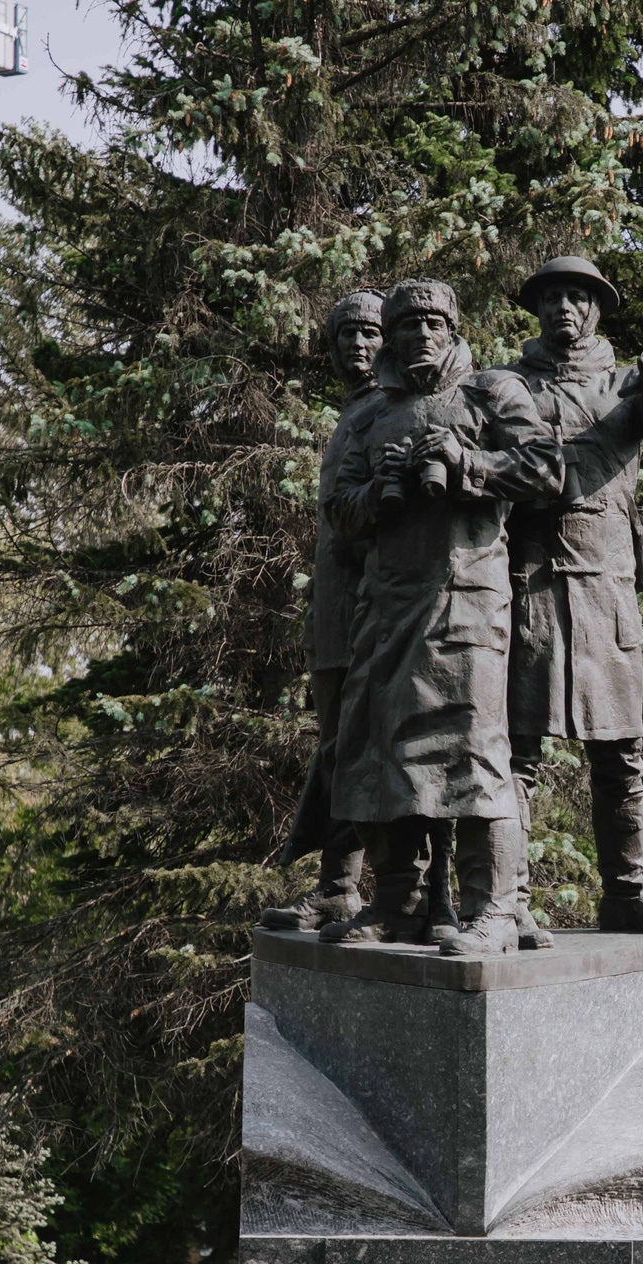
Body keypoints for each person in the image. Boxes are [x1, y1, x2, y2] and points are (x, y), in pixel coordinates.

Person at [318, 279, 563, 956]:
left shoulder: (491, 393)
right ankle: (402, 903)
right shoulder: (370, 416)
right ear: (391, 337)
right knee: (378, 757)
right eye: (408, 325)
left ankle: (493, 911)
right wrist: (379, 492)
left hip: (468, 605)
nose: (421, 334)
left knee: (477, 756)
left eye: (434, 322)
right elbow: (339, 513)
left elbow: (546, 469)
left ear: (453, 329)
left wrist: (465, 465)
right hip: (387, 607)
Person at [503, 255, 643, 941]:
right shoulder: (510, 385)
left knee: (621, 756)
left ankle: (626, 894)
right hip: (531, 587)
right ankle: (510, 900)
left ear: (595, 311)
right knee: (518, 754)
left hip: (608, 593)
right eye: (551, 295)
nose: (563, 307)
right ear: (538, 309)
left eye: (577, 297)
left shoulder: (625, 386)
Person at [263, 288, 384, 932]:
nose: (356, 347)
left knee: (365, 747)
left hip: (375, 607)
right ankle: (339, 886)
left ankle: (385, 889)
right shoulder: (350, 414)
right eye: (345, 336)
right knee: (338, 747)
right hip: (335, 612)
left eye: (368, 334)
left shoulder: (392, 409)